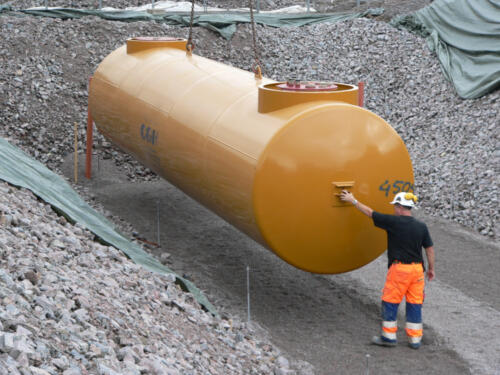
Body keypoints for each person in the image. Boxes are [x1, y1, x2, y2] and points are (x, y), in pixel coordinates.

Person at [340, 190, 435, 349]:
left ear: (399, 207)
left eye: (395, 206)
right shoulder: (421, 226)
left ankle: (389, 337)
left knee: (390, 301)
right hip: (417, 271)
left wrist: (353, 200)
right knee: (415, 303)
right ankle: (415, 340)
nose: (393, 210)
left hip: (400, 269)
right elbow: (430, 249)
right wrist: (431, 269)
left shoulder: (394, 222)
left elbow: (370, 213)